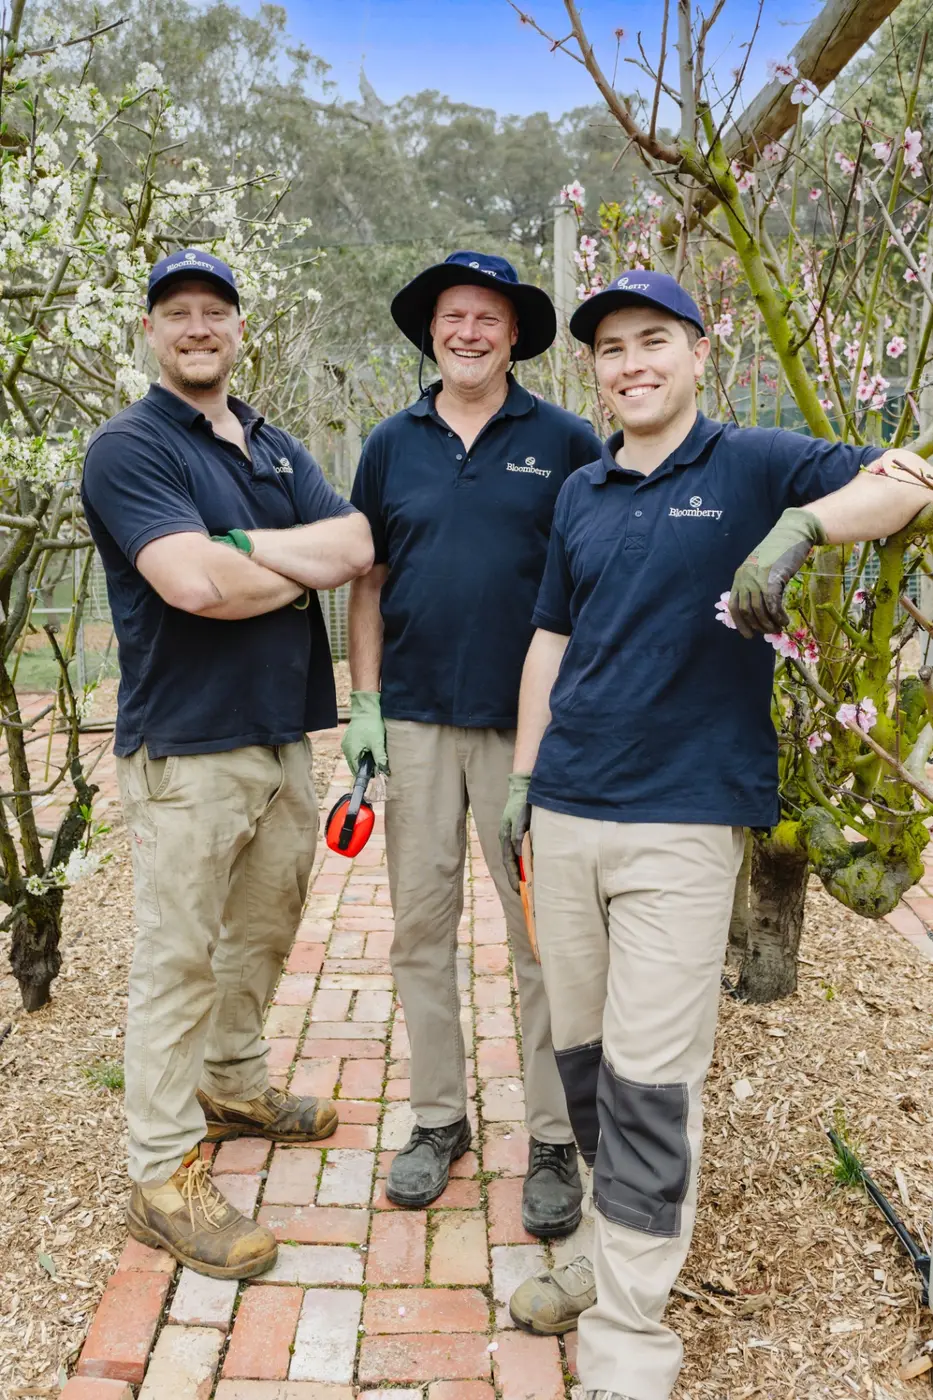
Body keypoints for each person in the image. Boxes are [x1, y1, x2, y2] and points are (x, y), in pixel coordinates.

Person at [500, 270, 932, 1400]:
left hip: (682, 825)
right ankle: (606, 1252)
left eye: (654, 340)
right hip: (568, 808)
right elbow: (550, 638)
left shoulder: (753, 462)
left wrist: (802, 524)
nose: (631, 362)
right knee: (586, 1064)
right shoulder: (584, 490)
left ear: (701, 351)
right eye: (610, 349)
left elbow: (911, 479)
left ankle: (629, 1345)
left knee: (650, 1079)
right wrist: (521, 777)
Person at [82, 249, 374, 1279]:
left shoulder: (272, 441)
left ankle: (233, 1077)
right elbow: (190, 585)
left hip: (282, 733)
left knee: (263, 928)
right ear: (153, 332)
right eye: (179, 314)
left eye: (215, 311)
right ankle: (161, 1174)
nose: (198, 327)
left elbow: (353, 545)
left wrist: (244, 547)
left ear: (238, 326)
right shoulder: (128, 448)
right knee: (177, 957)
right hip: (188, 744)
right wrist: (282, 561)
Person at [343, 250, 603, 1232]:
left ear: (514, 334)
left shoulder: (568, 440)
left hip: (525, 731)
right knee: (419, 930)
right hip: (409, 724)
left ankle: (549, 1135)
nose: (468, 331)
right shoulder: (389, 444)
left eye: (487, 316)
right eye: (453, 315)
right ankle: (437, 1117)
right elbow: (366, 579)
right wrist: (363, 702)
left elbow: (595, 575)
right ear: (431, 329)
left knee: (542, 939)